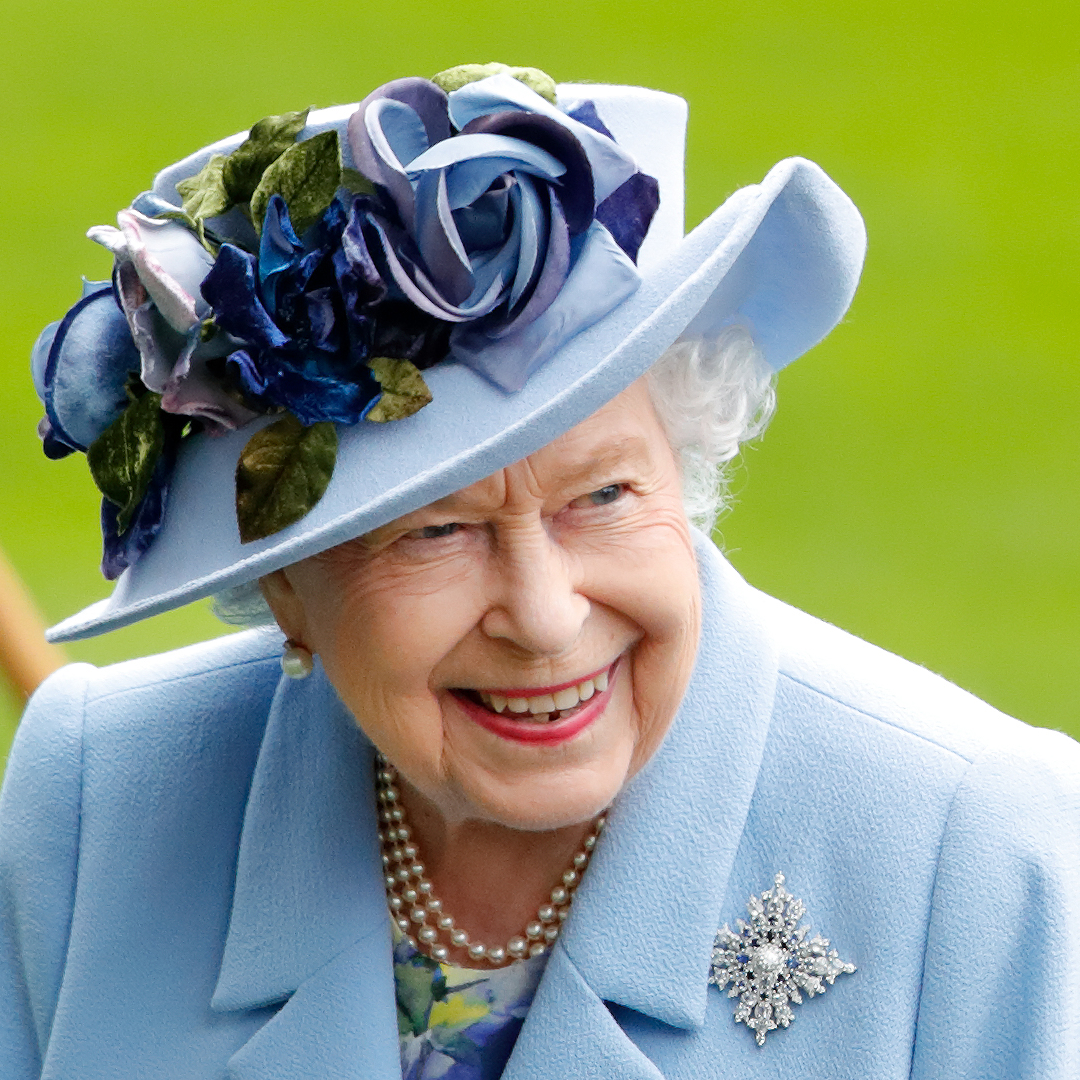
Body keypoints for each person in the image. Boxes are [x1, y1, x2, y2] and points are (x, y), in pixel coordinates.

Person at [2, 64, 1077, 1080]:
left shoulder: (977, 853)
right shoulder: (96, 801)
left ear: (686, 465)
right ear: (286, 582)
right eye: (435, 533)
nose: (546, 617)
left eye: (603, 497)